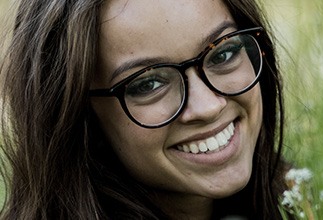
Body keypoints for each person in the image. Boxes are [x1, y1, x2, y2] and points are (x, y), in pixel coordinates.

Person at [0, 0, 290, 219]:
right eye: (148, 84)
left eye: (223, 53)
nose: (209, 106)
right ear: (80, 117)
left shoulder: (298, 202)